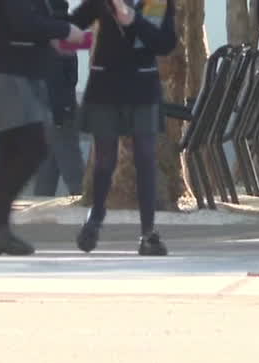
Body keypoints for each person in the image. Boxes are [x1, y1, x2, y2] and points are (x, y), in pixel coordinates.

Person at [0, 0, 86, 255]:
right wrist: (63, 30)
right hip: (6, 71)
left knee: (12, 152)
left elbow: (48, 19)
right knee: (33, 146)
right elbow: (22, 20)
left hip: (23, 72)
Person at [71, 0, 178, 255]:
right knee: (104, 160)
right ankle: (95, 218)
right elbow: (76, 21)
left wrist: (134, 20)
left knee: (145, 158)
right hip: (106, 86)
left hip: (143, 87)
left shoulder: (158, 2)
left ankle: (148, 232)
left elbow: (165, 43)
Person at [34, 1, 86, 199]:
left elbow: (57, 76)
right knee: (55, 164)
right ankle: (41, 202)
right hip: (59, 107)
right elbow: (69, 76)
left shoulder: (50, 33)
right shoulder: (63, 31)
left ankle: (45, 201)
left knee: (64, 165)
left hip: (55, 108)